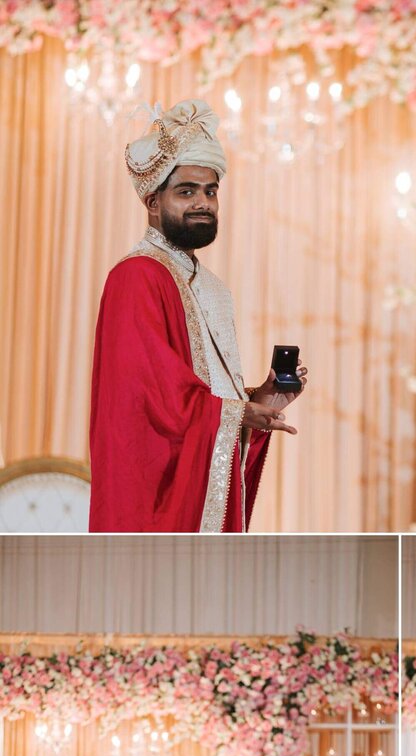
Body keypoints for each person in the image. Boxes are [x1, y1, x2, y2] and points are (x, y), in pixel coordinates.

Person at [89, 99, 307, 533]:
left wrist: (256, 401)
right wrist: (235, 413)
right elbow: (149, 396)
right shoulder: (137, 276)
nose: (203, 203)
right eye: (186, 191)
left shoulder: (211, 287)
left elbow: (197, 396)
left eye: (210, 191)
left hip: (201, 480)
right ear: (153, 201)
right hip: (153, 502)